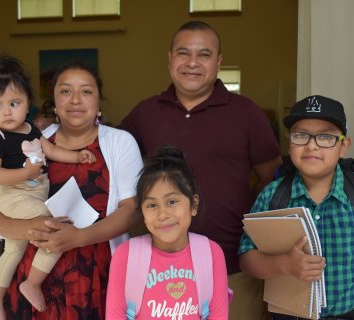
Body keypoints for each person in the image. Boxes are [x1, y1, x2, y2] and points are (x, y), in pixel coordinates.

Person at [119, 20, 281, 319]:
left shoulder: (247, 113)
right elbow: (110, 157)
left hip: (235, 269)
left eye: (204, 54)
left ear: (218, 62)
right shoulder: (145, 113)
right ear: (170, 59)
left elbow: (271, 178)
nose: (192, 62)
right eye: (183, 53)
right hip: (159, 272)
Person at [0, 61, 143, 320]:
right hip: (31, 281)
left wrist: (78, 237)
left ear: (99, 101)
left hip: (94, 282)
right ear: (54, 102)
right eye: (65, 91)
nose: (76, 99)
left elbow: (133, 212)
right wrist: (27, 228)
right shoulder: (33, 136)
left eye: (86, 91)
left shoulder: (120, 142)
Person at [238, 95, 354, 319]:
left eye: (326, 136)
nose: (311, 145)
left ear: (343, 146)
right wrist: (282, 264)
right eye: (301, 136)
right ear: (289, 142)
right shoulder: (272, 195)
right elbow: (246, 258)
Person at [0, 55, 97, 320]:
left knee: (14, 249)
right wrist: (26, 173)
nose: (6, 111)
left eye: (14, 103)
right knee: (52, 227)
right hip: (15, 196)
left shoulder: (31, 129)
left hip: (32, 192)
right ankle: (32, 283)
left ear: (27, 104)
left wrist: (77, 155)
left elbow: (52, 149)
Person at [106, 145, 229, 319]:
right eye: (151, 205)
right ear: (142, 212)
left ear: (193, 205)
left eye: (171, 202)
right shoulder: (125, 256)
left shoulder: (211, 253)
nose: (162, 214)